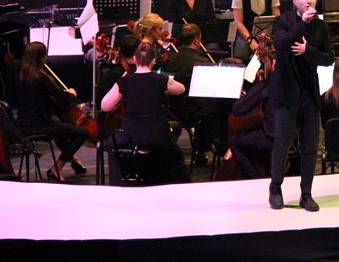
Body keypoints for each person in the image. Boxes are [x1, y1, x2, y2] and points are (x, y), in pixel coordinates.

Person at [268, 0, 333, 211]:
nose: (309, 1)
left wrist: (308, 51)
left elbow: (328, 58)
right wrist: (302, 24)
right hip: (286, 92)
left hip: (309, 94)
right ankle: (275, 188)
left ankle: (306, 194)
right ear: (295, 1)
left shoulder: (321, 27)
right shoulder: (282, 21)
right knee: (283, 143)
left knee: (310, 146)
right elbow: (280, 44)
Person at [101, 42, 190, 186]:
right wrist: (164, 86)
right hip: (156, 137)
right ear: (153, 61)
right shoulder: (161, 80)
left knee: (112, 144)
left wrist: (119, 82)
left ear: (135, 59)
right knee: (177, 155)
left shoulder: (124, 81)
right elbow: (181, 89)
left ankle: (120, 185)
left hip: (129, 137)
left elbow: (105, 106)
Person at [14, 42, 90, 182]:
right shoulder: (42, 78)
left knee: (60, 130)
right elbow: (63, 98)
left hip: (21, 126)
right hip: (40, 125)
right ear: (41, 58)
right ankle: (57, 167)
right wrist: (71, 93)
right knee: (83, 132)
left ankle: (73, 160)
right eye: (45, 55)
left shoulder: (20, 77)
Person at [162, 23, 215, 165]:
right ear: (196, 40)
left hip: (173, 111)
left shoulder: (170, 61)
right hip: (196, 112)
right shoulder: (202, 62)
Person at [227, 35, 277, 179]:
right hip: (293, 137)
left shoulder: (266, 85)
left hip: (271, 139)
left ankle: (255, 179)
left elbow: (238, 109)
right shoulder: (293, 80)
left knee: (234, 141)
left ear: (273, 62)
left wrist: (252, 90)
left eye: (263, 62)